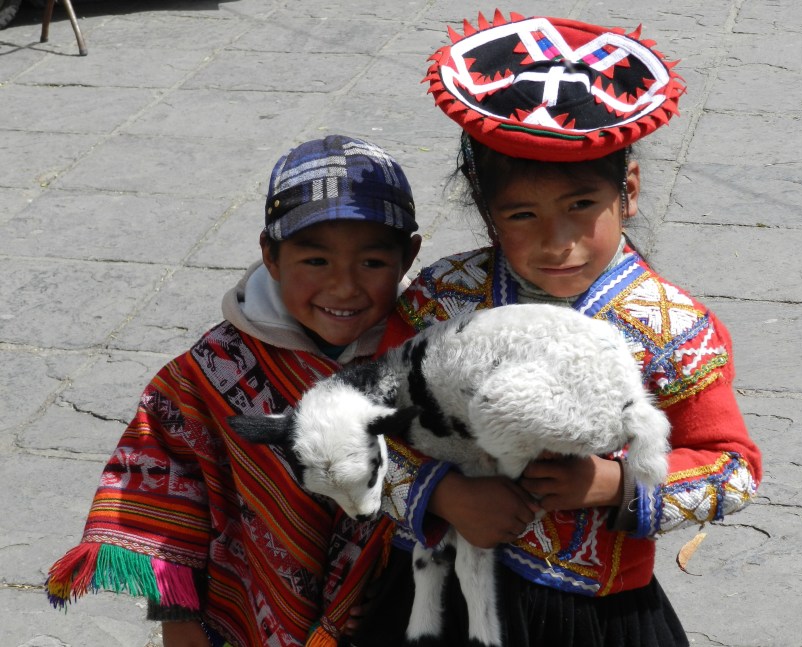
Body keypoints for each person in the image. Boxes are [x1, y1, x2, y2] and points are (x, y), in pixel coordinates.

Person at [354, 12, 763, 647]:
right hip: (442, 595)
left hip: (595, 618)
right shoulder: (441, 301)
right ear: (487, 210)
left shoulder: (671, 327)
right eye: (522, 214)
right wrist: (443, 494)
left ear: (626, 189)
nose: (559, 242)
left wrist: (614, 483)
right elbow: (360, 424)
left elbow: (733, 469)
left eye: (580, 206)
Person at [46, 135, 422, 647]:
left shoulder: (422, 358)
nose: (344, 287)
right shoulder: (213, 371)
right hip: (248, 610)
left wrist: (398, 592)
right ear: (270, 255)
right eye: (315, 261)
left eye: (372, 263)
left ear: (408, 256)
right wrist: (177, 618)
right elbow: (174, 498)